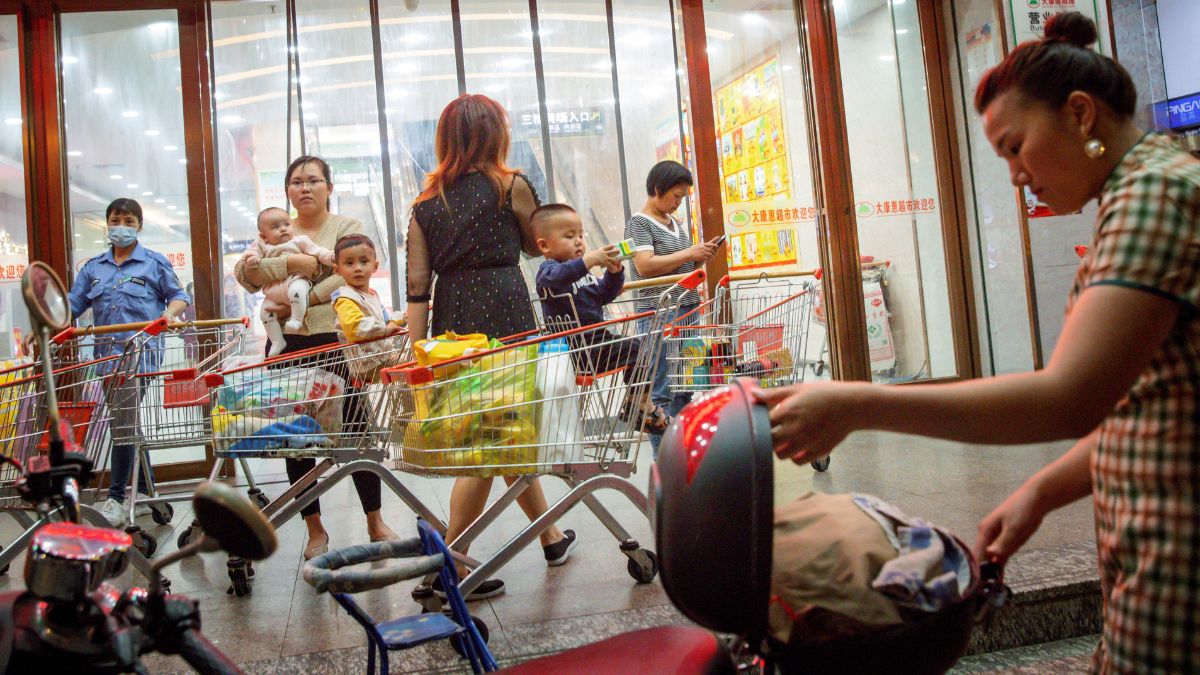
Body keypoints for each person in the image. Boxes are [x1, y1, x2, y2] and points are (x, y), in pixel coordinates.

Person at [760, 13, 1200, 673]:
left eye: (1015, 146)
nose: (1016, 174)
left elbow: (1071, 398)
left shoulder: (1152, 197)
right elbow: (1151, 404)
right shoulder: (1151, 184)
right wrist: (1042, 491)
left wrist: (857, 403)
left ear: (1081, 114)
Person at [406, 94, 577, 600]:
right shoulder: (511, 186)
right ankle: (449, 563)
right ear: (496, 134)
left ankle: (548, 536)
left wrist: (419, 354)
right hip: (505, 312)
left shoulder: (425, 202)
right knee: (493, 437)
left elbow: (417, 285)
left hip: (452, 321)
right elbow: (534, 244)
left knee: (501, 430)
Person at [235, 155, 397, 560]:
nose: (304, 188)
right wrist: (295, 262)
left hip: (336, 339)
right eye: (296, 181)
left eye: (313, 180)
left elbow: (349, 272)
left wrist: (302, 304)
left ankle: (375, 521)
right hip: (288, 348)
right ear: (287, 190)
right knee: (298, 437)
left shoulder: (345, 228)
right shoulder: (273, 228)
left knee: (358, 429)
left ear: (328, 186)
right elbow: (248, 274)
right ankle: (315, 529)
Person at [67, 198, 190, 529]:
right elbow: (71, 307)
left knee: (123, 423)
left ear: (139, 225)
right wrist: (47, 322)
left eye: (128, 220)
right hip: (106, 360)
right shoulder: (92, 268)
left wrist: (168, 315)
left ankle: (118, 498)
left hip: (141, 358)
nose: (121, 225)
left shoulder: (153, 262)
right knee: (127, 424)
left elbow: (180, 297)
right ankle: (151, 495)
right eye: (115, 219)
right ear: (107, 224)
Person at [532, 203, 668, 432]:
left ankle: (638, 402)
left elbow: (603, 294)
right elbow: (555, 279)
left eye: (581, 235)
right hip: (576, 350)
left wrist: (614, 273)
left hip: (597, 343)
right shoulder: (548, 271)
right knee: (635, 348)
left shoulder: (583, 275)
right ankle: (640, 404)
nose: (579, 241)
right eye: (569, 236)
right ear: (545, 246)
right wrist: (589, 261)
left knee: (638, 348)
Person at [624, 160, 720, 455]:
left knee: (685, 387)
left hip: (688, 310)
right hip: (659, 314)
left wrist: (701, 255)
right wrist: (689, 252)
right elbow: (645, 265)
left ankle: (683, 454)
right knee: (662, 390)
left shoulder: (675, 224)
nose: (679, 202)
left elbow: (685, 264)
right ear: (657, 189)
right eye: (676, 196)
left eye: (682, 197)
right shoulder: (638, 223)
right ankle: (665, 459)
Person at [241, 206, 335, 357]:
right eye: (275, 227)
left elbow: (318, 252)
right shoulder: (262, 245)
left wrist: (330, 256)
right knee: (265, 313)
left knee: (296, 292)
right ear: (264, 236)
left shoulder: (300, 241)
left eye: (286, 224)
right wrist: (251, 258)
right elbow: (246, 263)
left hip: (296, 280)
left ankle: (296, 319)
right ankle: (277, 340)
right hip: (274, 291)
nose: (283, 229)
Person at [330, 234, 405, 380]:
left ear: (375, 266)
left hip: (379, 357)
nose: (358, 268)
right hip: (368, 365)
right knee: (412, 366)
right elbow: (355, 327)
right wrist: (384, 330)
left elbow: (384, 319)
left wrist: (403, 317)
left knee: (411, 368)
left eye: (364, 262)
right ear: (337, 269)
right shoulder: (345, 299)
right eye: (349, 263)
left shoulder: (372, 294)